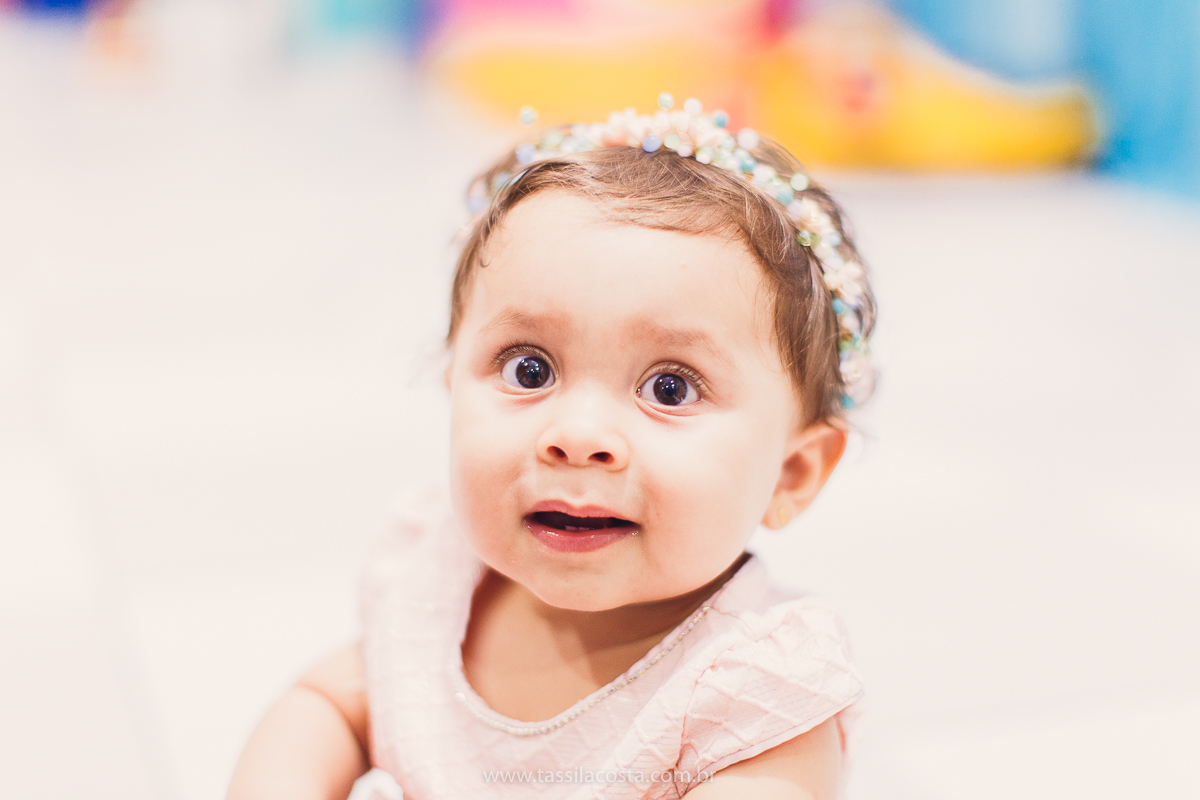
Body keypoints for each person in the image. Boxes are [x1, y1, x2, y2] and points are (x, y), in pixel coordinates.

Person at [227, 94, 877, 800]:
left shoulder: (753, 698)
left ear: (792, 473)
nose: (577, 437)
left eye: (669, 389)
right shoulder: (440, 582)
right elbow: (330, 707)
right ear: (452, 387)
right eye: (529, 370)